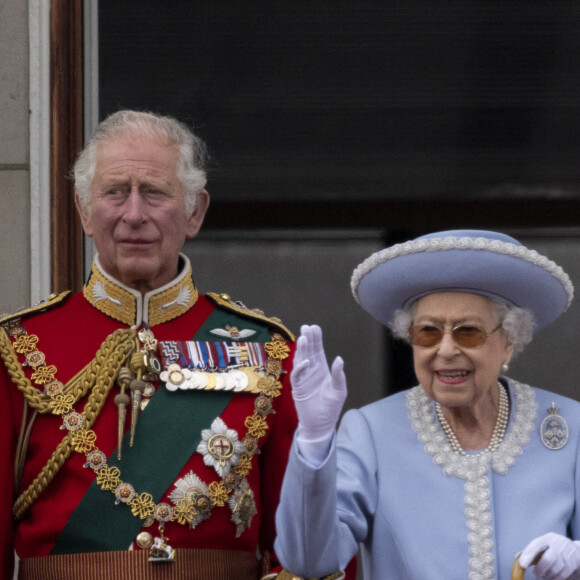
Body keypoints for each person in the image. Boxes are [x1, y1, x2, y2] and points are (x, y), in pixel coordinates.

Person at [0, 110, 349, 580]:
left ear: (195, 212)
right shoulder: (20, 347)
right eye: (114, 192)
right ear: (84, 211)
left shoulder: (269, 350)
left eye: (155, 193)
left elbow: (308, 545)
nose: (134, 214)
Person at [274, 229, 580, 580]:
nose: (446, 350)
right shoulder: (371, 433)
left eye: (468, 332)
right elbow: (309, 562)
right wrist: (314, 441)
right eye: (428, 332)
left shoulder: (571, 428)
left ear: (509, 342)